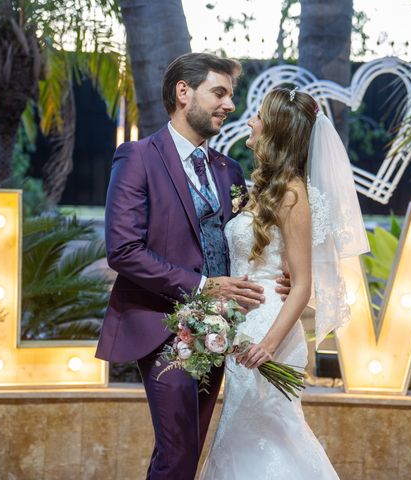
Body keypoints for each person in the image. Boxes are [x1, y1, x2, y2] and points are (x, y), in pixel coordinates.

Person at [95, 53, 289, 480]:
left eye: (231, 96)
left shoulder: (230, 170)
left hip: (223, 331)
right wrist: (203, 286)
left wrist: (280, 275)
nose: (230, 105)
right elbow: (123, 250)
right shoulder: (137, 157)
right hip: (161, 324)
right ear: (184, 92)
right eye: (219, 92)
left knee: (185, 452)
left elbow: (245, 240)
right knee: (179, 449)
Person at [199, 88, 369, 479]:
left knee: (272, 435)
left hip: (269, 333)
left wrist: (268, 345)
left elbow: (303, 285)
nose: (250, 121)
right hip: (243, 326)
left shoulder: (293, 194)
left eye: (258, 116)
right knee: (242, 435)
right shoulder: (260, 189)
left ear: (274, 130)